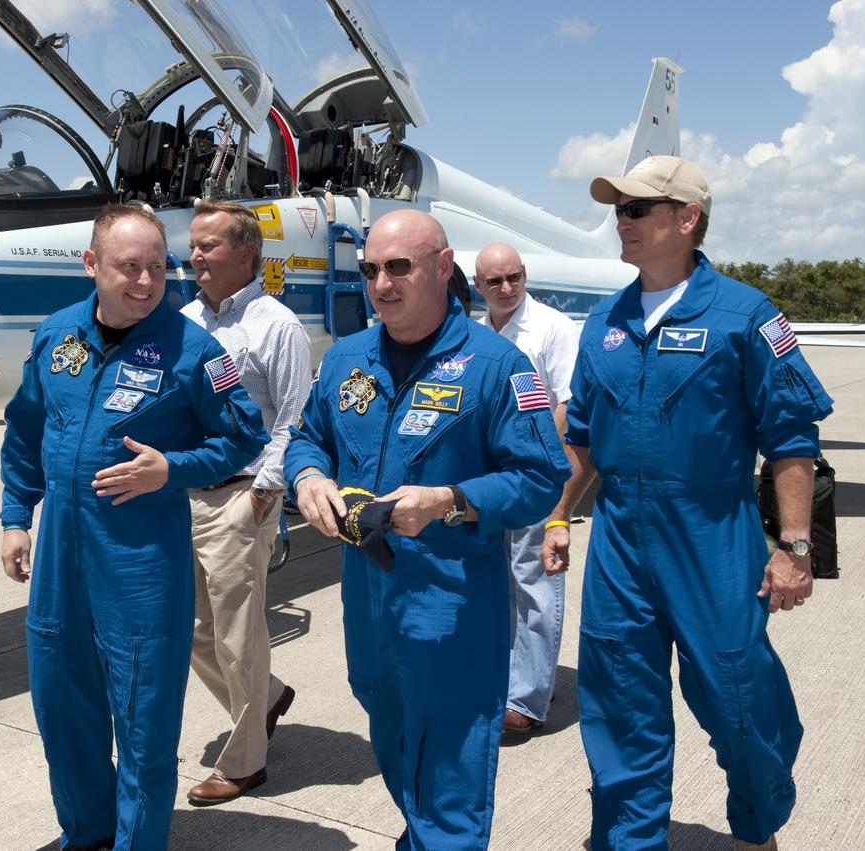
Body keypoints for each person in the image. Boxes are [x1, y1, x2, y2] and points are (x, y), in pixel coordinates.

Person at [548, 156, 834, 851]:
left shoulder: (748, 315)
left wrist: (796, 549)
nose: (624, 220)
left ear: (687, 218)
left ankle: (759, 824)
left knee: (741, 699)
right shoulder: (603, 324)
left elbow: (792, 440)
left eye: (639, 208)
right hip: (620, 540)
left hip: (713, 534)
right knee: (618, 704)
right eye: (619, 208)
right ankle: (629, 838)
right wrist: (557, 514)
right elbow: (582, 437)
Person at [285, 209, 571, 848]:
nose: (381, 283)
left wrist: (450, 499)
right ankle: (420, 834)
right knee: (386, 718)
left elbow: (540, 477)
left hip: (453, 598)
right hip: (366, 594)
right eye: (370, 270)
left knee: (452, 750)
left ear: (444, 267)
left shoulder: (498, 365)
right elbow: (308, 439)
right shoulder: (347, 358)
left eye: (398, 267)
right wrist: (308, 480)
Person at [0, 204, 268, 851]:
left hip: (141, 565)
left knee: (143, 724)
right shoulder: (56, 336)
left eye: (156, 266)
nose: (147, 281)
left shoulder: (193, 348)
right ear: (92, 264)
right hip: (61, 561)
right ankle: (86, 831)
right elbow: (25, 429)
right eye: (129, 267)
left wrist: (169, 469)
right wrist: (15, 516)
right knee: (64, 710)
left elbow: (244, 436)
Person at [180, 200, 312, 805]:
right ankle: (271, 695)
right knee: (193, 633)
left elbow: (292, 418)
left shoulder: (274, 325)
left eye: (209, 245)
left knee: (237, 636)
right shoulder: (181, 322)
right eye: (194, 244)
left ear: (247, 254)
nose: (195, 255)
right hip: (183, 495)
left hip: (240, 497)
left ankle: (246, 762)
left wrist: (267, 491)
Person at [472, 242, 580, 738]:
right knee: (498, 583)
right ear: (479, 286)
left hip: (533, 475)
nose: (507, 288)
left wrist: (545, 467)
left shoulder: (551, 328)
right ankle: (509, 679)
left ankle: (528, 699)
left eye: (514, 277)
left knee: (534, 580)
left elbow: (567, 405)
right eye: (495, 281)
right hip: (490, 481)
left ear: (525, 275)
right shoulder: (477, 331)